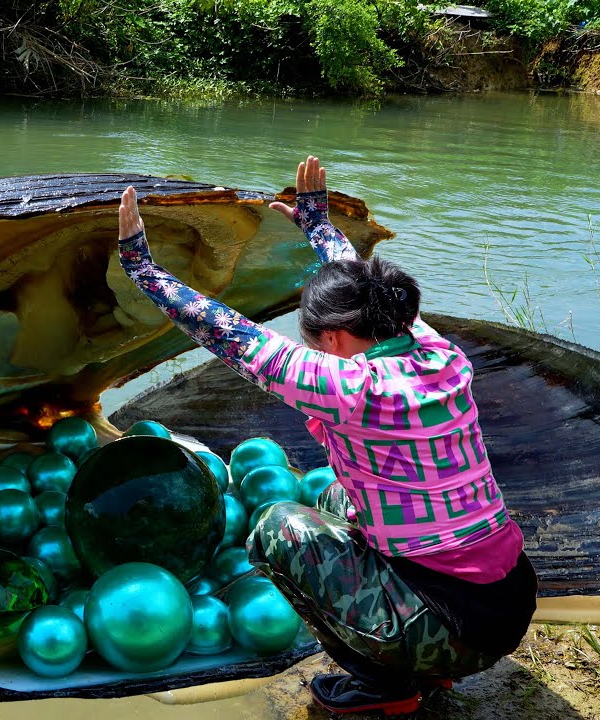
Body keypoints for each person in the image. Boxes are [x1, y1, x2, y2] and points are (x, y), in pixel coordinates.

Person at [116, 157, 538, 716]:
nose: (312, 348)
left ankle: (387, 683)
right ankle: (425, 656)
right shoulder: (439, 352)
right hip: (507, 604)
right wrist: (316, 223)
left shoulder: (352, 388)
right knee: (337, 498)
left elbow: (228, 333)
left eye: (315, 340)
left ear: (334, 339)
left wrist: (143, 270)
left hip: (450, 627)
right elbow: (368, 287)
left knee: (276, 528)